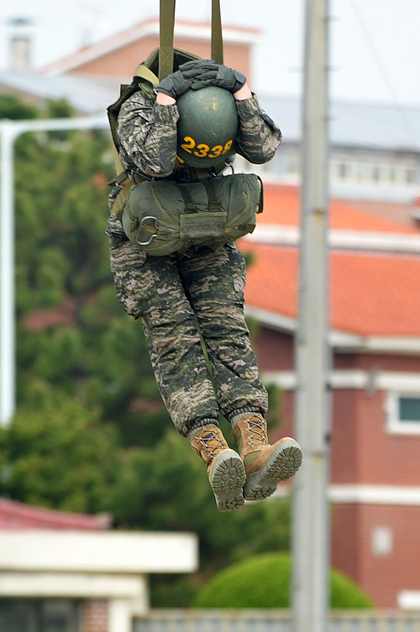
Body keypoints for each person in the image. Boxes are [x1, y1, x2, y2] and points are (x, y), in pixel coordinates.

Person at [108, 55, 302, 512]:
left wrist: (240, 94)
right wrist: (165, 102)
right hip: (146, 237)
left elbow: (265, 147)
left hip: (205, 227)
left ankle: (252, 443)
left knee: (227, 331)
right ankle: (214, 449)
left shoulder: (222, 106)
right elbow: (153, 160)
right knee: (177, 339)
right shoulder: (140, 106)